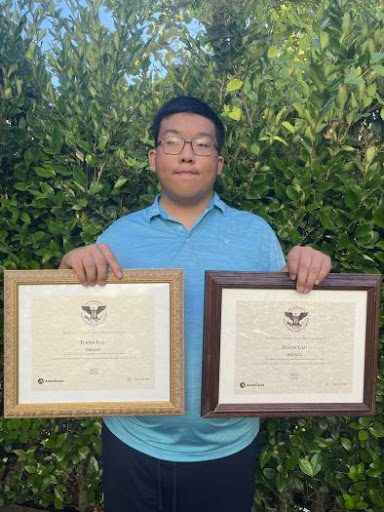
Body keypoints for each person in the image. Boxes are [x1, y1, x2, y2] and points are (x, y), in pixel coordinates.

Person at [60, 96, 331, 512]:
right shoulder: (119, 236)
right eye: (173, 142)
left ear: (219, 163)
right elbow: (73, 324)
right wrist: (67, 271)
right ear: (153, 158)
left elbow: (284, 324)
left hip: (228, 448)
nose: (187, 154)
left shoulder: (255, 235)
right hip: (132, 442)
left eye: (202, 144)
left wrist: (309, 268)